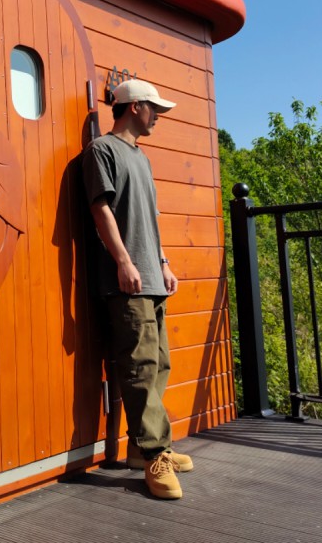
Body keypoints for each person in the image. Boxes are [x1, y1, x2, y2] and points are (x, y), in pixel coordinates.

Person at [82, 78, 193, 500]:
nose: (158, 116)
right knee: (140, 367)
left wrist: (162, 263)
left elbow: (150, 219)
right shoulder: (102, 150)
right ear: (134, 107)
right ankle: (154, 456)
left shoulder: (141, 158)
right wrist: (124, 261)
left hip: (151, 276)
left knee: (158, 364)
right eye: (154, 109)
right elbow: (100, 209)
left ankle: (140, 448)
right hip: (126, 279)